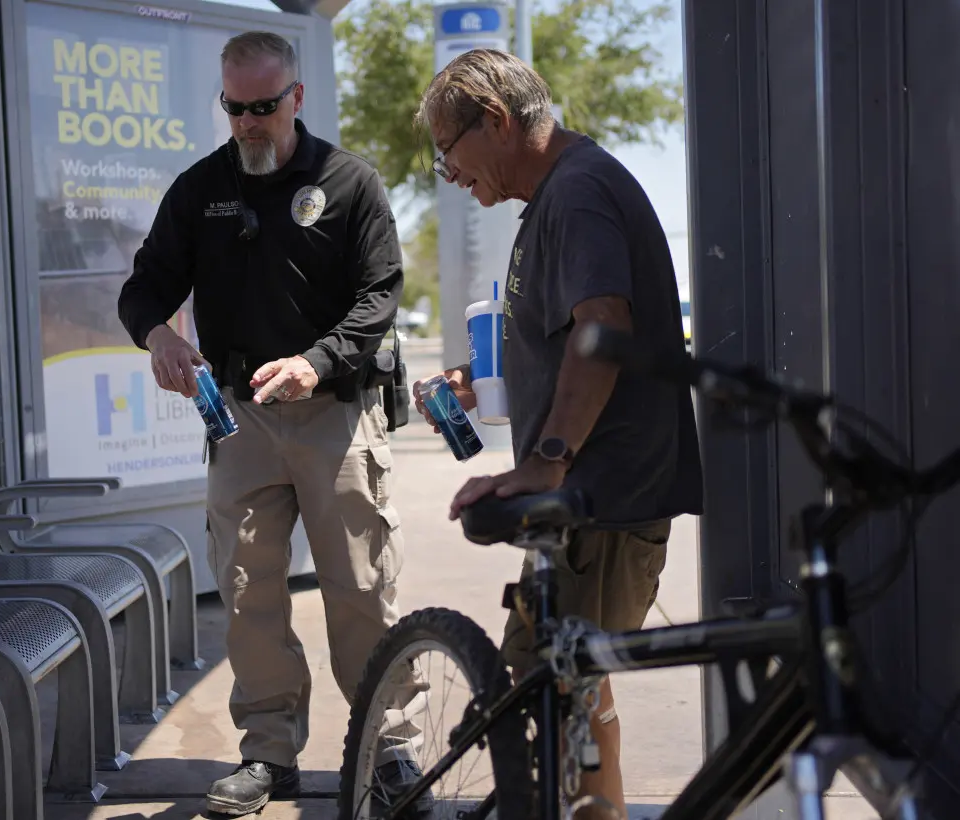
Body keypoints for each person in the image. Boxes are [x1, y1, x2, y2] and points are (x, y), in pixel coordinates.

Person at [117, 30, 428, 818]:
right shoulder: (199, 189)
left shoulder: (349, 181)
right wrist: (159, 336)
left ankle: (389, 752)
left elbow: (379, 297)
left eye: (263, 106)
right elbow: (145, 287)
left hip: (333, 414)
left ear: (295, 97)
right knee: (249, 590)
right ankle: (268, 755)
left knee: (359, 589)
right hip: (240, 423)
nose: (249, 123)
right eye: (235, 108)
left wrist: (316, 363)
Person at [412, 49, 704, 819]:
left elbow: (603, 324)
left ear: (498, 122)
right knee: (569, 694)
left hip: (601, 504)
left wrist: (547, 461)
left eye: (450, 153)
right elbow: (565, 330)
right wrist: (483, 383)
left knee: (554, 703)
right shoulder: (556, 197)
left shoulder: (576, 193)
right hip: (588, 503)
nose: (451, 175)